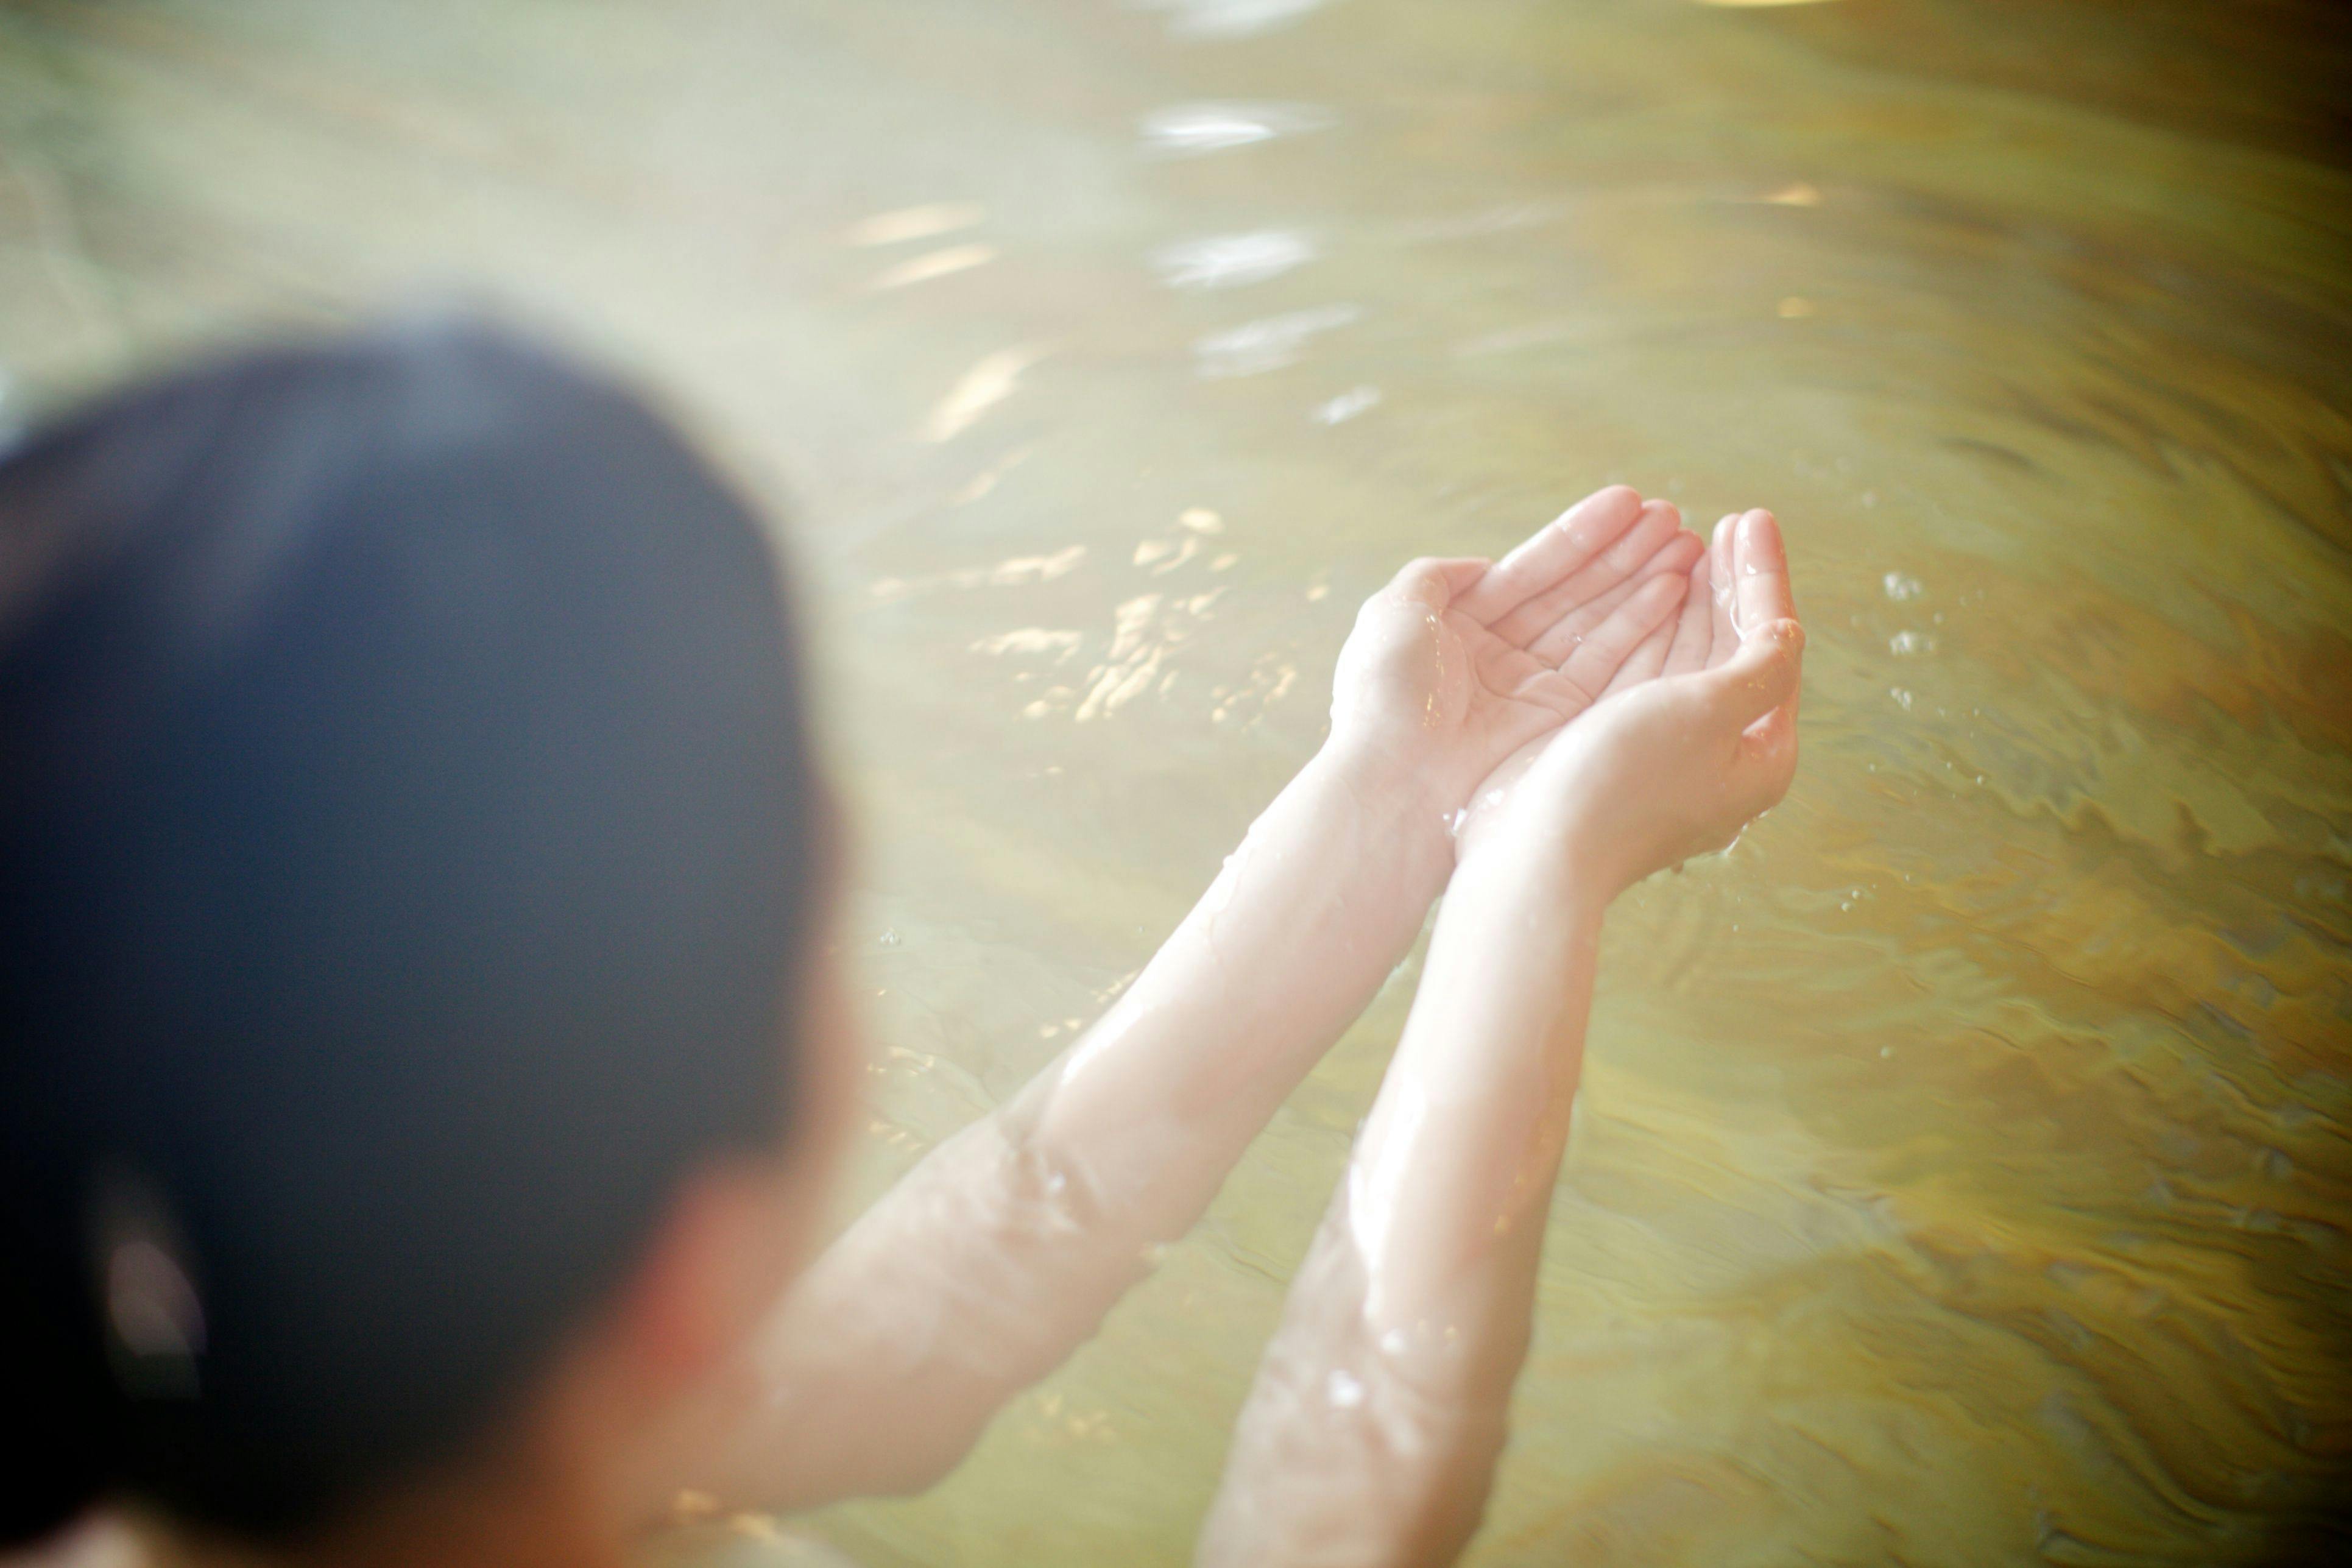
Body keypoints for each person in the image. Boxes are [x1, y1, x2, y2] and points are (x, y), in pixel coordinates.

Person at [0, 319, 1803, 1568]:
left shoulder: (249, 1418)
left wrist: (1399, 798)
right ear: (686, 1278)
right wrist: (1543, 875)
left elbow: (1023, 1222)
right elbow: (1349, 1467)